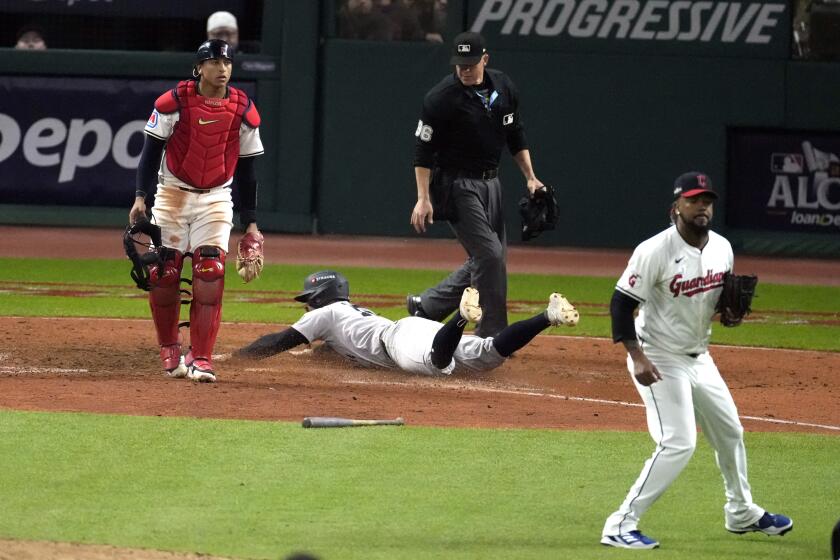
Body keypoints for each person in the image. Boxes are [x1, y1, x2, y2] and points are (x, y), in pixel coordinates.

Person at [600, 172, 792, 549]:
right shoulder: (654, 250)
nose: (702, 206)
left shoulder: (722, 247)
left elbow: (718, 301)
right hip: (658, 357)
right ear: (676, 208)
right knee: (679, 442)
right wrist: (636, 356)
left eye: (706, 200)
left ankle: (740, 511)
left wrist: (729, 314)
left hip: (700, 357)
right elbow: (621, 304)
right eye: (693, 200)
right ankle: (620, 524)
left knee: (730, 431)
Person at [129, 39, 265, 383]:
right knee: (165, 273)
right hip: (173, 194)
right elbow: (149, 154)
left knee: (210, 270)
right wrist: (141, 197)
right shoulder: (174, 103)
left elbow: (248, 173)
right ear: (199, 67)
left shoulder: (243, 110)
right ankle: (169, 347)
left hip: (216, 197)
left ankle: (202, 357)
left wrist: (251, 225)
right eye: (215, 62)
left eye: (228, 62)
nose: (223, 69)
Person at [408, 31, 545, 338]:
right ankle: (492, 333)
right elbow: (423, 150)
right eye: (459, 64)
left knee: (491, 259)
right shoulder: (441, 98)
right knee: (490, 256)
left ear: (485, 59)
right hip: (456, 185)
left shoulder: (503, 87)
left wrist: (531, 177)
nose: (465, 70)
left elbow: (515, 135)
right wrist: (423, 197)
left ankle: (428, 306)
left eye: (471, 63)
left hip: (491, 182)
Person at [236, 270, 579, 375]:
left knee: (436, 362)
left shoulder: (323, 315)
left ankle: (460, 316)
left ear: (322, 296)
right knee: (489, 355)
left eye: (309, 298)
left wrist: (235, 360)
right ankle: (547, 316)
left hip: (401, 342)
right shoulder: (348, 316)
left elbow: (278, 341)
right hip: (414, 329)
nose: (307, 305)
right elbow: (331, 350)